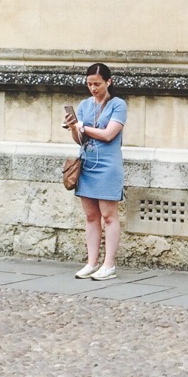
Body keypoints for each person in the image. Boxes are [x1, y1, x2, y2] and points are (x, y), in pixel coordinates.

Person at [63, 61, 127, 281]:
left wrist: (83, 127)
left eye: (97, 84)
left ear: (108, 82)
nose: (93, 88)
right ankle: (92, 262)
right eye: (89, 84)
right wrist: (74, 127)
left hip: (108, 166)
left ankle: (109, 265)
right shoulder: (84, 105)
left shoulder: (118, 105)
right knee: (91, 216)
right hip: (87, 164)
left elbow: (109, 134)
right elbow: (79, 140)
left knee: (109, 216)